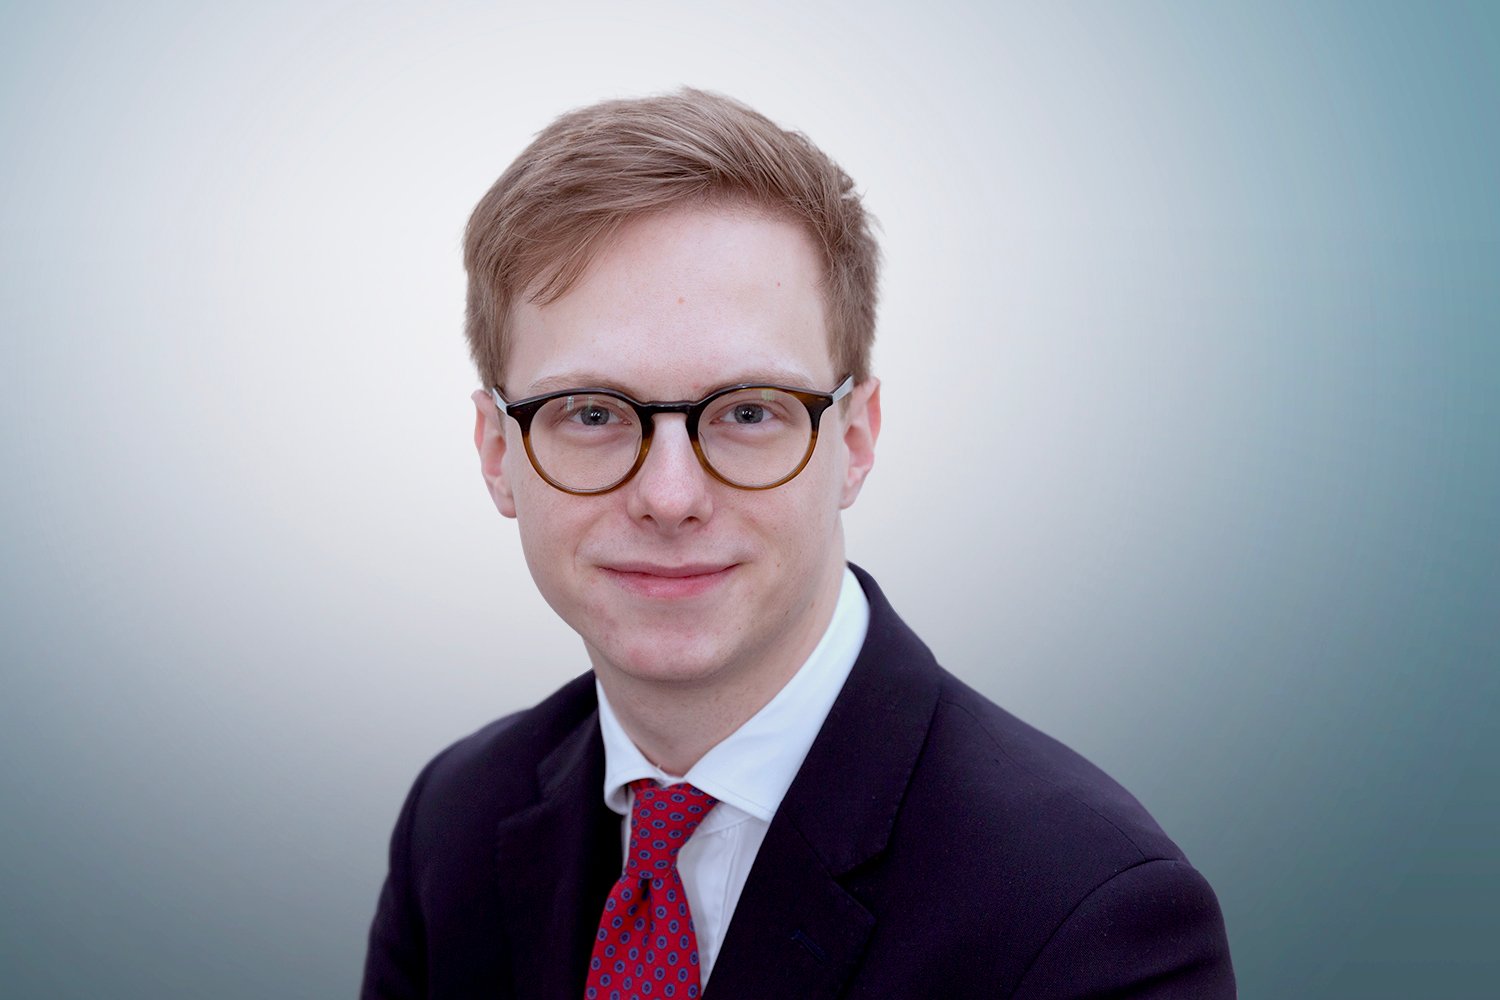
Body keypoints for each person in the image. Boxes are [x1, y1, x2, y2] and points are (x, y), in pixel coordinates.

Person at [361, 89, 1235, 999]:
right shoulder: (454, 823)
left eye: (748, 412)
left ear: (854, 440)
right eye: (590, 412)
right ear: (496, 454)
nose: (669, 498)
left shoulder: (1089, 914)